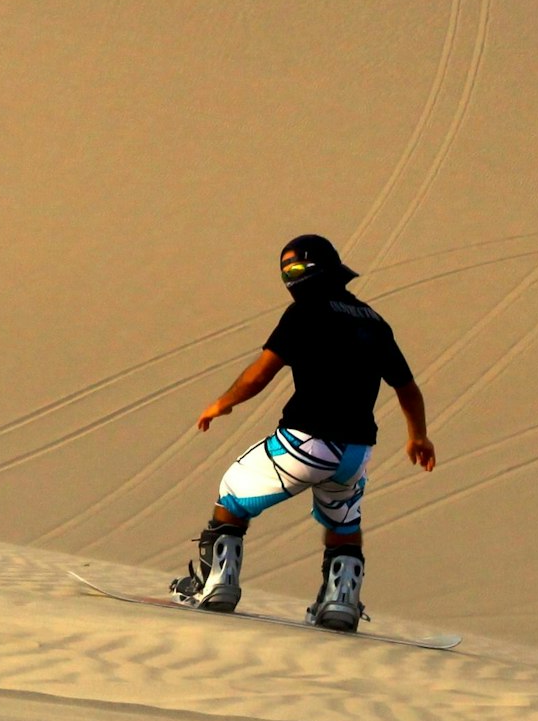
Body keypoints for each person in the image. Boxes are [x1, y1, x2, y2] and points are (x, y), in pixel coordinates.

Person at [178, 233, 437, 630]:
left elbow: (261, 373)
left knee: (231, 495)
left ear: (316, 270)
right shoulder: (373, 321)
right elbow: (408, 388)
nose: (291, 276)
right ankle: (340, 604)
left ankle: (217, 586)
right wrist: (417, 435)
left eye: (297, 268)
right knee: (344, 523)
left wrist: (223, 402)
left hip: (305, 442)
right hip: (354, 452)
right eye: (287, 270)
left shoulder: (304, 313)